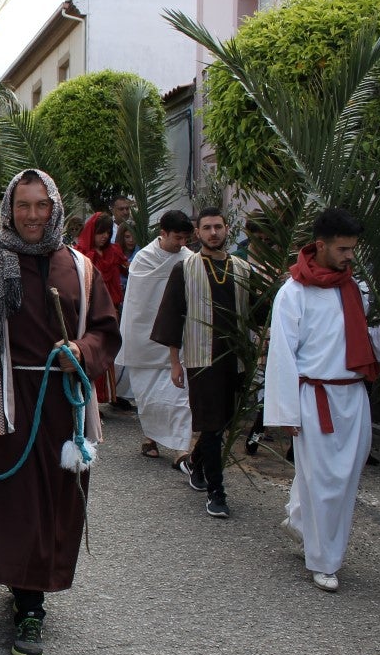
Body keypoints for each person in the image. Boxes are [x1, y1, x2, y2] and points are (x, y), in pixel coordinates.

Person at [0, 168, 120, 655]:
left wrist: (82, 351)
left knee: (55, 502)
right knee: (17, 501)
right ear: (8, 209)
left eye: (40, 205)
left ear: (55, 208)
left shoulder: (81, 269)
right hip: (5, 398)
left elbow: (106, 330)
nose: (31, 215)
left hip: (62, 403)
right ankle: (29, 603)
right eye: (22, 205)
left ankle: (31, 591)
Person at [264, 209, 380, 592]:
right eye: (343, 249)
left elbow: (352, 342)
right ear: (320, 245)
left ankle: (299, 521)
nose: (350, 256)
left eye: (353, 249)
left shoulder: (353, 288)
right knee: (326, 481)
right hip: (316, 398)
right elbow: (282, 355)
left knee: (342, 477)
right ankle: (324, 561)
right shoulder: (293, 293)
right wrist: (286, 411)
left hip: (353, 397)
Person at [151, 207, 252, 519]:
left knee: (221, 423)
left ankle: (196, 465)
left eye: (218, 227)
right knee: (210, 423)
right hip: (201, 358)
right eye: (207, 227)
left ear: (227, 229)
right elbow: (171, 317)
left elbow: (256, 313)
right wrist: (175, 363)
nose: (213, 233)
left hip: (235, 359)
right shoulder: (185, 267)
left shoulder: (242, 269)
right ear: (198, 233)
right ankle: (216, 493)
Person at [116, 210, 194, 465]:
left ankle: (181, 448)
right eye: (177, 237)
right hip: (145, 341)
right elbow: (137, 304)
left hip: (176, 341)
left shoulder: (190, 260)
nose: (182, 243)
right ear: (163, 233)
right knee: (148, 398)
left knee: (180, 398)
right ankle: (150, 437)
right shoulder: (143, 259)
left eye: (185, 238)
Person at [77, 211, 127, 406]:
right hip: (89, 310)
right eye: (101, 232)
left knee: (108, 351)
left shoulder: (113, 252)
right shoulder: (82, 254)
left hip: (111, 309)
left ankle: (107, 396)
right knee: (91, 352)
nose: (105, 236)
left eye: (107, 232)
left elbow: (127, 270)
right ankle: (91, 400)